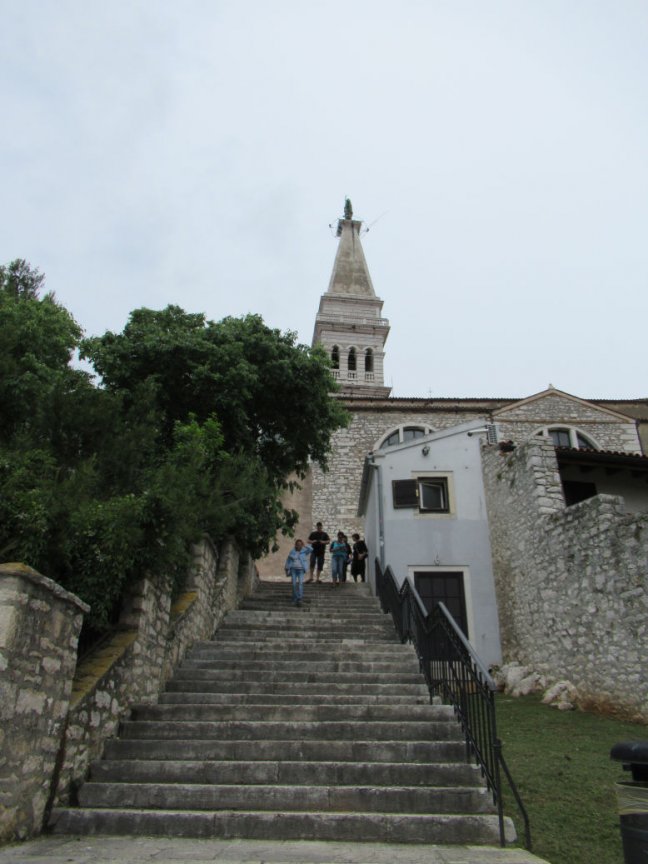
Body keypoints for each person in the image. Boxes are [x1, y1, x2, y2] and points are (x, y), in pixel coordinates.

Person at [284, 539, 311, 606]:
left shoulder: (304, 551)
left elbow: (311, 549)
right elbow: (288, 560)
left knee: (300, 584)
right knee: (294, 584)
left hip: (301, 570)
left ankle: (299, 598)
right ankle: (294, 598)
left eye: (300, 544)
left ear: (302, 545)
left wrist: (305, 545)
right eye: (298, 544)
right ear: (295, 545)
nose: (299, 546)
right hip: (293, 570)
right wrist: (286, 569)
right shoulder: (292, 552)